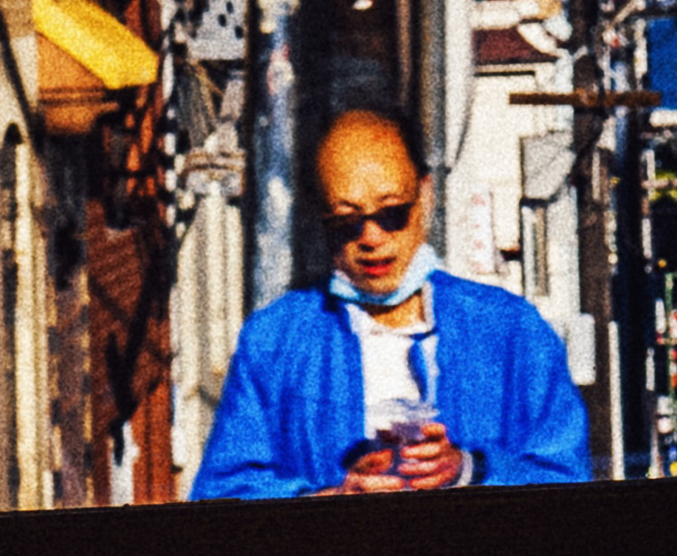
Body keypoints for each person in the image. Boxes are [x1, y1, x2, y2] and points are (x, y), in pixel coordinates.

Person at [189, 109, 593, 500]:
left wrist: (470, 470)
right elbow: (221, 497)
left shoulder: (510, 330)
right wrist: (330, 497)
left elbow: (568, 484)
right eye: (346, 221)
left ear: (426, 196)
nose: (371, 237)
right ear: (320, 219)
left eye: (393, 214)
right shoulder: (275, 340)